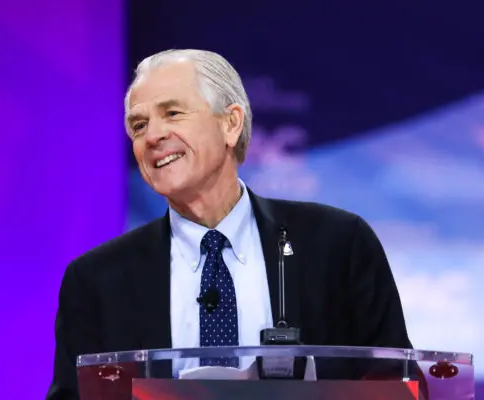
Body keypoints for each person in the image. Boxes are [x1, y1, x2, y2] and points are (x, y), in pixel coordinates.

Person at [46, 49, 415, 399]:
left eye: (172, 113)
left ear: (231, 124)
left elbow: (396, 384)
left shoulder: (338, 245)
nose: (153, 136)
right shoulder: (97, 280)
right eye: (138, 125)